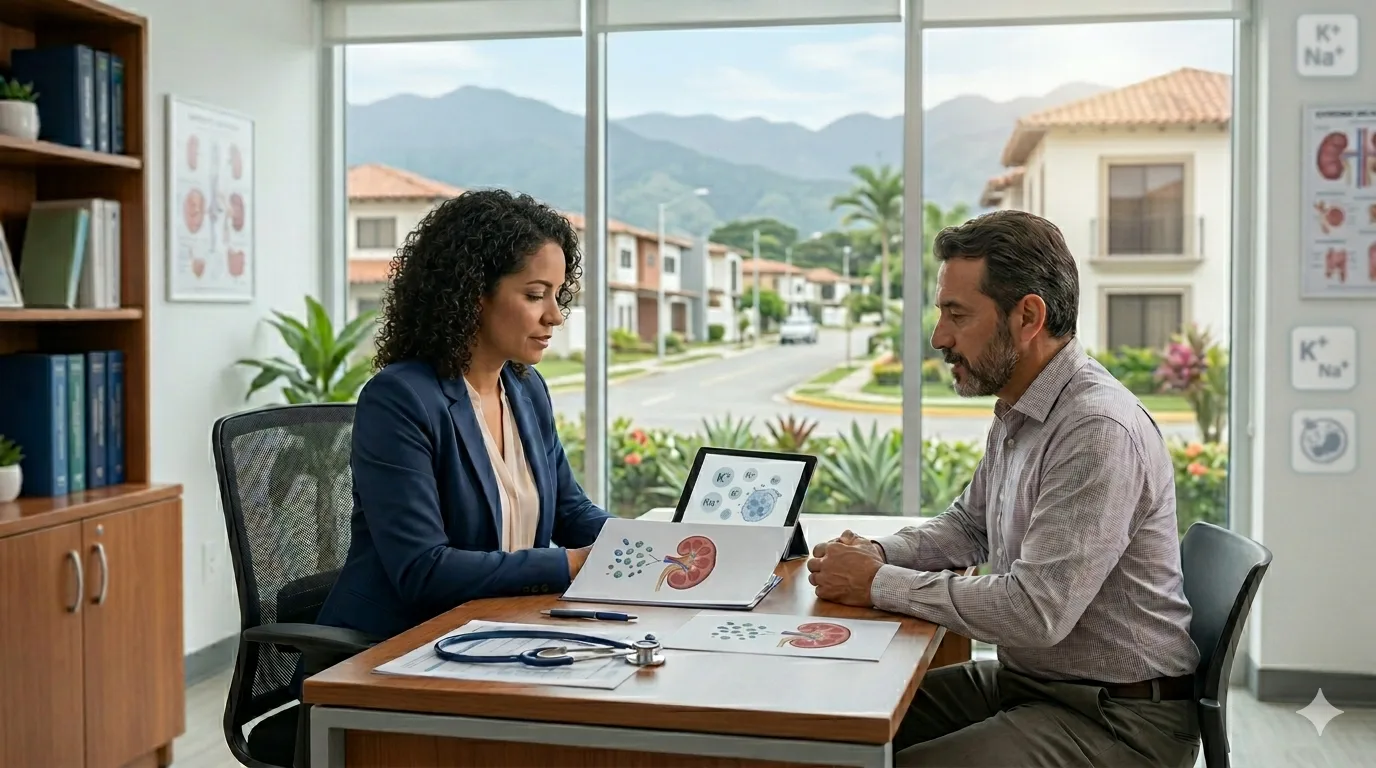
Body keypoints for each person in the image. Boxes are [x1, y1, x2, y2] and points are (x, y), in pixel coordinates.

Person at [805, 210, 1202, 767]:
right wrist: (876, 553)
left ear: (1029, 316)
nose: (939, 336)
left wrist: (876, 583)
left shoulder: (1096, 429)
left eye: (956, 315)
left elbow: (1034, 611)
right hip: (1040, 687)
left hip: (1118, 722)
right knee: (837, 729)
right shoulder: (1022, 404)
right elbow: (968, 527)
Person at [314, 189, 612, 642]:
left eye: (557, 295)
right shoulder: (400, 399)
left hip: (501, 630)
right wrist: (571, 563)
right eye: (536, 295)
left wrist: (654, 543)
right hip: (396, 648)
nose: (555, 316)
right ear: (474, 294)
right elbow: (424, 570)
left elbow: (571, 513)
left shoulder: (525, 389)